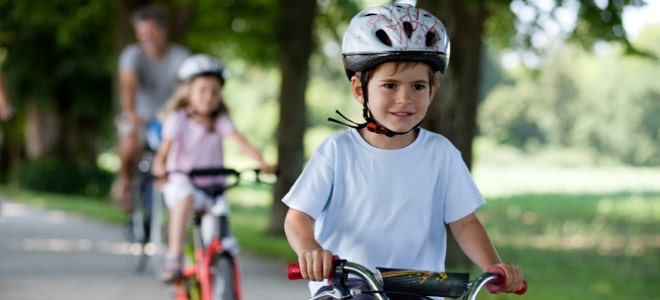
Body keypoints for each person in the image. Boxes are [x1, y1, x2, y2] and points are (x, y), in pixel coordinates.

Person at [282, 3, 525, 300]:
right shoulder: (337, 151)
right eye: (390, 85)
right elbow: (298, 216)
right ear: (360, 90)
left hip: (420, 288)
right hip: (346, 285)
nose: (404, 98)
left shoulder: (441, 154)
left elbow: (464, 222)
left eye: (418, 87)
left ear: (433, 91)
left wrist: (494, 266)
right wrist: (311, 250)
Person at [151, 54, 276, 283]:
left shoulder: (220, 119)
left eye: (215, 91)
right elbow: (163, 153)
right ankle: (174, 259)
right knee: (186, 200)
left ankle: (220, 273)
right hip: (182, 182)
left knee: (220, 232)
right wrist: (159, 169)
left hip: (213, 186)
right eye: (202, 90)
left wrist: (262, 163)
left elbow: (241, 141)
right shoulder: (177, 118)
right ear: (188, 91)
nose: (209, 97)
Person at [113, 4, 191, 212]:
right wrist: (130, 112)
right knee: (129, 144)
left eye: (151, 31)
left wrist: (175, 114)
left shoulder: (180, 56)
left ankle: (176, 201)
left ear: (164, 30)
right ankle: (126, 185)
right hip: (139, 115)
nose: (146, 37)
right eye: (141, 32)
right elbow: (128, 85)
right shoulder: (132, 55)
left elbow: (188, 89)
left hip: (170, 117)